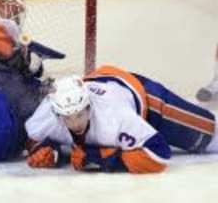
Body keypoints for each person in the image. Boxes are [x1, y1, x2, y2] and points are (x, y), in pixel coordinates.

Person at [25, 65, 218, 174]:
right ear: (57, 114)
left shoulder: (114, 118)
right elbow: (33, 138)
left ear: (89, 106)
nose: (75, 123)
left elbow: (159, 155)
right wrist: (52, 151)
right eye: (68, 118)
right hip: (105, 82)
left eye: (80, 115)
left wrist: (99, 157)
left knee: (210, 136)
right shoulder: (47, 116)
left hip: (148, 101)